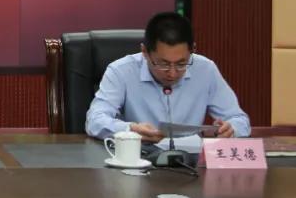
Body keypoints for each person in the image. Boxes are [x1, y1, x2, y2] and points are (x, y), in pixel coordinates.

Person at [86, 11, 250, 142]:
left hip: (190, 162)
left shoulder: (206, 69)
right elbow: (95, 120)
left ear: (192, 50)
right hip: (139, 158)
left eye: (181, 63)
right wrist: (130, 130)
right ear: (145, 52)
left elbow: (239, 120)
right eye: (163, 64)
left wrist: (231, 129)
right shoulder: (121, 71)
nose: (172, 73)